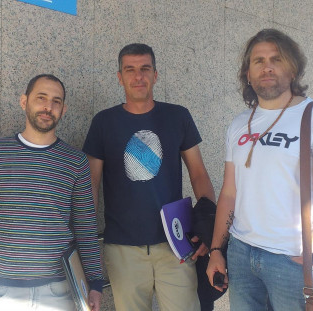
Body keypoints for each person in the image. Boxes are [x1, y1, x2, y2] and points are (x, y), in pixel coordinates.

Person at [206, 28, 313, 310]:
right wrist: (216, 250)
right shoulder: (238, 124)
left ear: (293, 69)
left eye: (276, 59)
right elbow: (229, 192)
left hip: (293, 259)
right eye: (258, 61)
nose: (267, 67)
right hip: (241, 252)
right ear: (248, 74)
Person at [83, 43, 216, 311]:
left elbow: (199, 173)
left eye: (145, 68)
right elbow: (90, 186)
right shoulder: (103, 122)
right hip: (122, 249)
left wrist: (207, 227)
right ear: (119, 77)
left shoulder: (178, 116)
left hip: (176, 246)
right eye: (129, 70)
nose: (138, 76)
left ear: (155, 74)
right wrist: (86, 244)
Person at [0, 74, 104, 311]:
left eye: (56, 101)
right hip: (2, 291)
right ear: (24, 101)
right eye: (41, 98)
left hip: (59, 290)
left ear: (63, 109)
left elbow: (86, 226)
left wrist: (95, 284)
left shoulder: (76, 162)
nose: (48, 107)